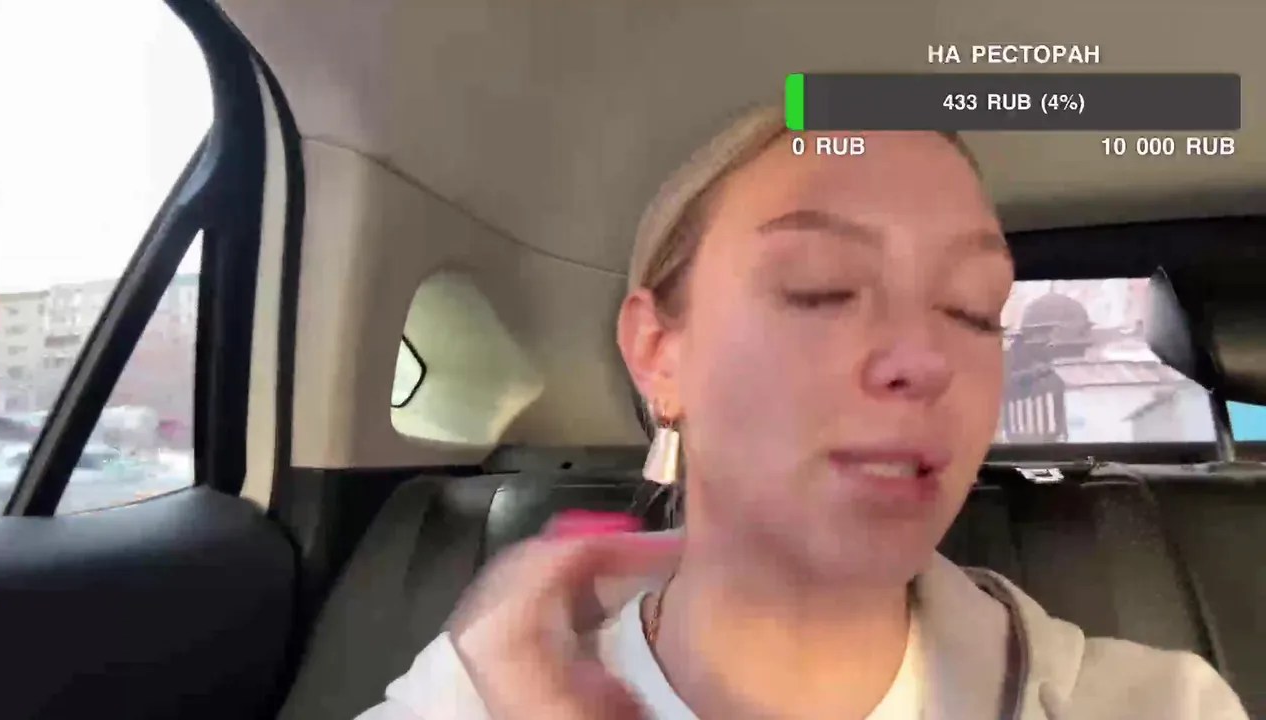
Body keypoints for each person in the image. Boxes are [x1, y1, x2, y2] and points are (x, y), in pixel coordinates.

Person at [357, 105, 1250, 719]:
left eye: (975, 309)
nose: (926, 357)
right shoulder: (480, 695)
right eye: (820, 289)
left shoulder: (1159, 706)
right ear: (659, 353)